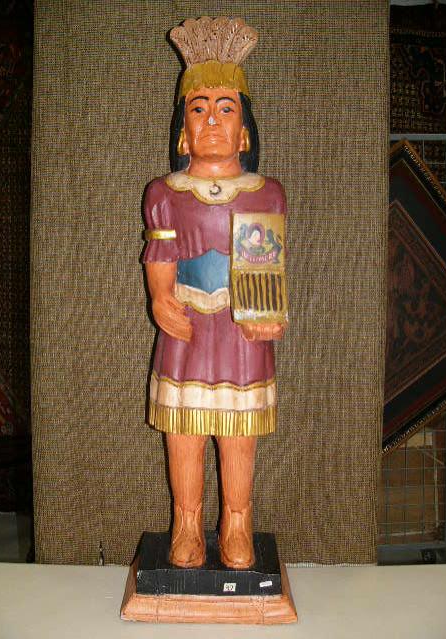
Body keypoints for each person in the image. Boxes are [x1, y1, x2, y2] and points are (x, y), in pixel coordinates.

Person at [142, 17, 287, 570]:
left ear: (245, 131)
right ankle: (186, 523)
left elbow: (263, 264)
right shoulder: (165, 194)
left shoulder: (264, 193)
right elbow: (160, 258)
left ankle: (237, 522)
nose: (211, 121)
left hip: (240, 330)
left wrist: (264, 313)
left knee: (238, 432)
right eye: (199, 109)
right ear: (182, 131)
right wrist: (161, 300)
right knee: (184, 429)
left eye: (225, 109)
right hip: (185, 326)